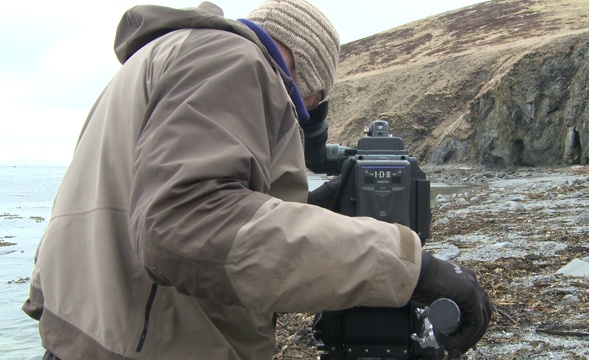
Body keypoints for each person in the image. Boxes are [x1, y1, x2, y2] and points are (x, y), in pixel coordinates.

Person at [22, 1, 492, 359]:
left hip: (81, 330)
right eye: (309, 103)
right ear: (306, 76)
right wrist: (412, 270)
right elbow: (186, 224)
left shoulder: (149, 65)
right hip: (151, 344)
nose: (302, 112)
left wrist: (306, 208)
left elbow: (144, 204)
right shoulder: (233, 59)